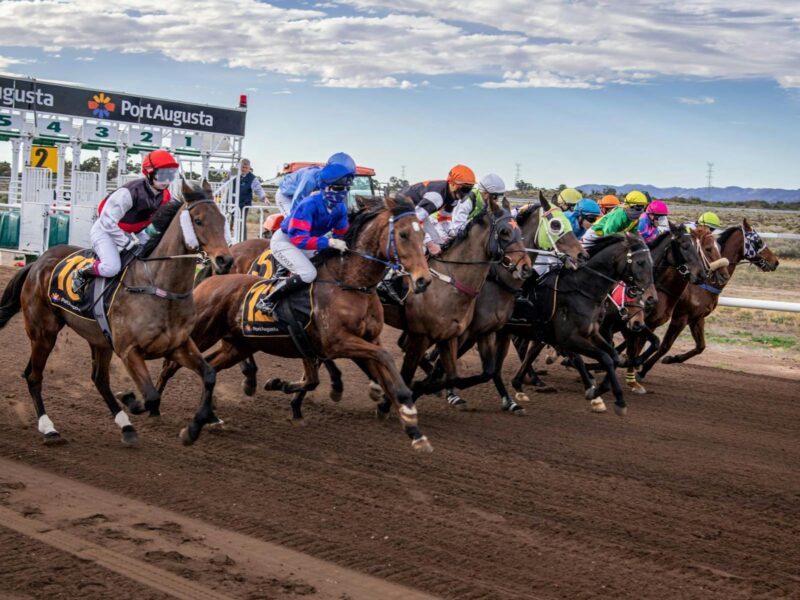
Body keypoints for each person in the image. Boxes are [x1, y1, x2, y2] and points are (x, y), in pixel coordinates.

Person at [72, 149, 179, 292]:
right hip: (105, 231)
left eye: (170, 176)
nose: (166, 181)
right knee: (111, 268)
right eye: (162, 176)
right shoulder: (129, 192)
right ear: (149, 173)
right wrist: (128, 243)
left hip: (133, 233)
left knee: (154, 257)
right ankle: (81, 272)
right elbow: (107, 221)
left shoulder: (165, 196)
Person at [256, 162, 355, 314]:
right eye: (338, 188)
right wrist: (329, 242)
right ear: (325, 186)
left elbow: (341, 233)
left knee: (326, 265)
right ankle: (268, 300)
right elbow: (299, 239)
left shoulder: (340, 208)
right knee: (308, 273)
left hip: (306, 243)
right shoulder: (309, 204)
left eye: (346, 189)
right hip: (286, 241)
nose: (342, 193)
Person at [397, 164, 477, 255]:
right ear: (453, 185)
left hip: (417, 213)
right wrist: (429, 244)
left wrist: (449, 236)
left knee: (440, 243)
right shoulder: (436, 197)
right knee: (423, 248)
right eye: (465, 189)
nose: (467, 193)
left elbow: (444, 219)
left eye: (470, 189)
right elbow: (414, 221)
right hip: (402, 210)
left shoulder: (453, 198)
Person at [274, 152, 356, 215]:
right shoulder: (310, 178)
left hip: (300, 195)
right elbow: (298, 200)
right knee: (295, 221)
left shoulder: (329, 179)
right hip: (286, 196)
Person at [439, 173, 504, 240]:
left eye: (500, 197)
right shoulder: (468, 200)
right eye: (495, 197)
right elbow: (457, 230)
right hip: (440, 227)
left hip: (454, 229)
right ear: (486, 194)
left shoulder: (486, 204)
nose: (497, 201)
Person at [581, 190, 648, 248]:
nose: (641, 209)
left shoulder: (636, 219)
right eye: (638, 206)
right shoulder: (619, 214)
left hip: (609, 237)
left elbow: (634, 234)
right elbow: (608, 233)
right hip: (595, 235)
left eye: (643, 206)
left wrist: (644, 245)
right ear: (628, 205)